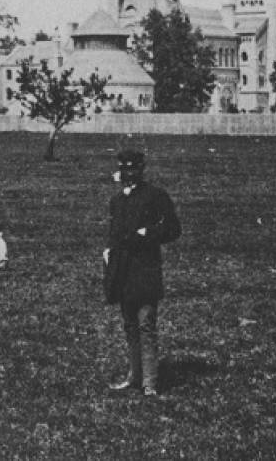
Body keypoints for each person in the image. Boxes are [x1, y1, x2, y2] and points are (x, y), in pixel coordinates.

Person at [103, 149, 181, 397]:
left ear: (142, 169)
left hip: (145, 268)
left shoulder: (155, 196)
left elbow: (172, 229)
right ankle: (134, 376)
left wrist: (147, 235)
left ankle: (150, 382)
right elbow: (114, 234)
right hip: (122, 270)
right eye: (125, 169)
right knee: (129, 325)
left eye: (134, 169)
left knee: (146, 324)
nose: (129, 174)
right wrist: (108, 253)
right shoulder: (117, 201)